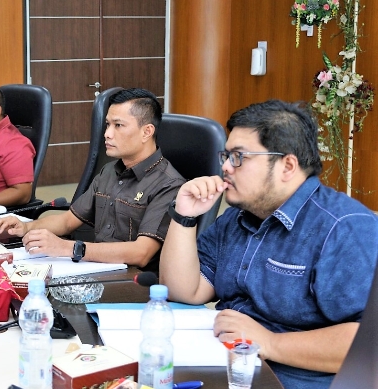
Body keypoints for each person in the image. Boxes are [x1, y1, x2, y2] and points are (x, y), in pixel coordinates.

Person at [159, 100, 378, 389]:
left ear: (287, 165)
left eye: (239, 157)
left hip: (287, 379)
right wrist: (184, 215)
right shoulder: (236, 218)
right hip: (225, 366)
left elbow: (369, 345)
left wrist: (269, 342)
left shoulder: (345, 228)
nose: (225, 166)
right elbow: (183, 291)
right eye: (226, 156)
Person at [0, 88, 184, 270]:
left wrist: (69, 248)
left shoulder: (168, 184)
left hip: (136, 283)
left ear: (147, 132)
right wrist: (26, 227)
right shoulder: (109, 171)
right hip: (97, 267)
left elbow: (142, 253)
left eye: (118, 125)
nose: (107, 134)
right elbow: (68, 221)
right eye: (108, 124)